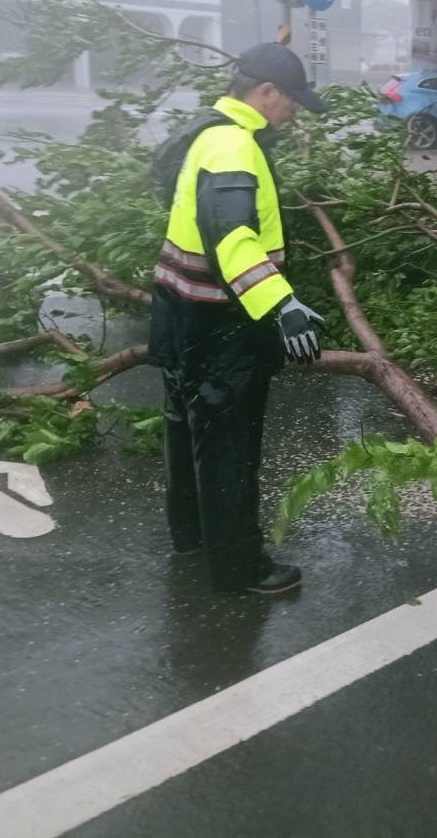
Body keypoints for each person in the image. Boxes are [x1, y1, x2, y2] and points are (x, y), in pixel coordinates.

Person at [148, 43, 328, 595]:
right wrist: (282, 306)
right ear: (266, 91)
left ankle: (194, 534)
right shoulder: (232, 147)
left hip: (180, 311)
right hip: (221, 322)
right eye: (291, 99)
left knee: (187, 429)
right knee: (230, 444)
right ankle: (240, 567)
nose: (293, 110)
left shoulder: (205, 132)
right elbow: (232, 237)